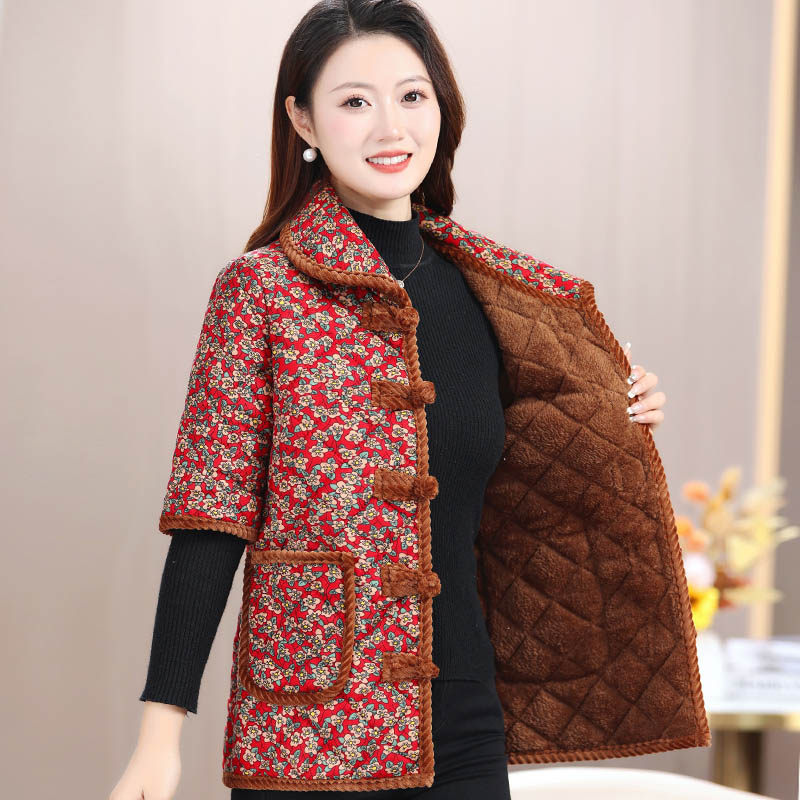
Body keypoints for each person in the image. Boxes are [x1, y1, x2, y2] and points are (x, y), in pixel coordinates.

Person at [110, 1, 668, 798]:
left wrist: (615, 415)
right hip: (309, 728)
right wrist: (159, 738)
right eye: (354, 102)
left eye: (412, 96)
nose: (390, 128)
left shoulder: (495, 295)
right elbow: (210, 515)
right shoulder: (259, 291)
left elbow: (524, 496)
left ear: (442, 108)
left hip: (464, 719)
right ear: (303, 119)